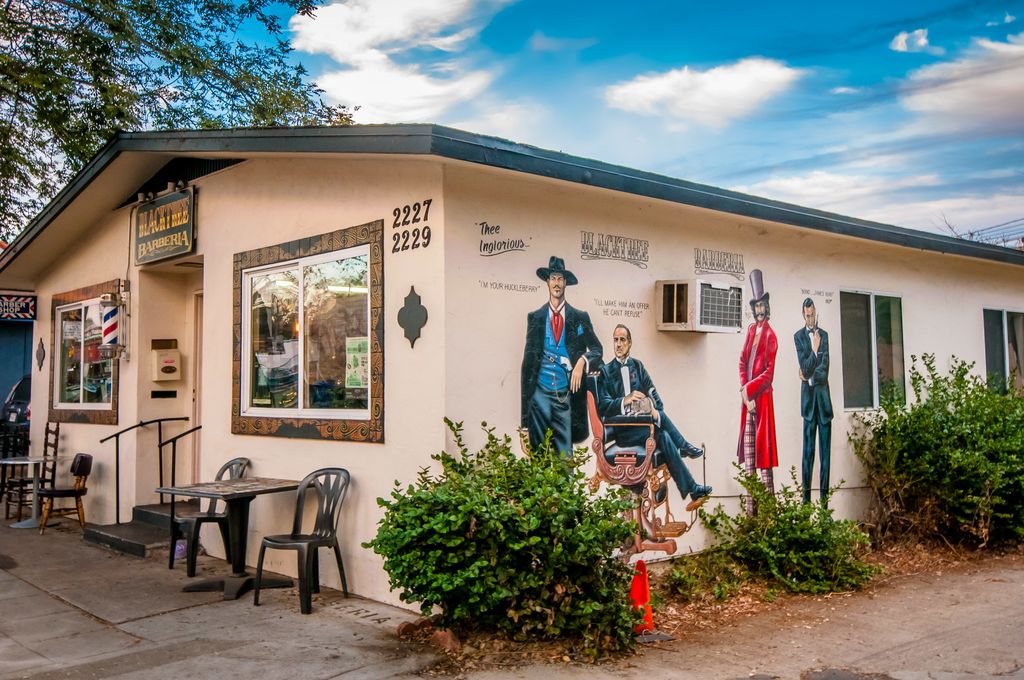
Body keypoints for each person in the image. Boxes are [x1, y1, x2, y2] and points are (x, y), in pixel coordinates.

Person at [598, 324, 712, 509]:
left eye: (622, 340)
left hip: (642, 425)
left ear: (630, 343)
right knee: (663, 433)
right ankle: (684, 450)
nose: (618, 344)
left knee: (663, 434)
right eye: (615, 340)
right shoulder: (606, 371)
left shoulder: (638, 366)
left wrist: (651, 407)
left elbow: (654, 394)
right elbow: (603, 406)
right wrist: (625, 400)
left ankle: (691, 488)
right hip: (624, 431)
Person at [521, 256, 602, 456]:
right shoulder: (536, 318)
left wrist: (582, 362)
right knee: (538, 459)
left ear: (566, 283)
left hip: (565, 397)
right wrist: (524, 424)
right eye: (553, 278)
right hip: (539, 395)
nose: (557, 283)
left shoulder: (579, 317)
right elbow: (528, 367)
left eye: (560, 279)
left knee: (564, 459)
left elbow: (597, 350)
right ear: (547, 282)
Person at [736, 268, 779, 513]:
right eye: (757, 306)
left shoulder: (771, 336)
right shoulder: (752, 331)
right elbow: (743, 361)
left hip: (762, 402)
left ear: (767, 307)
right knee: (750, 458)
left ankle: (769, 515)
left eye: (763, 306)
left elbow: (768, 375)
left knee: (764, 460)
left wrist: (748, 391)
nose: (760, 310)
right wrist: (744, 390)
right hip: (748, 402)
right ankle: (752, 515)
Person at [795, 297, 834, 504]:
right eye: (807, 315)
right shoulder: (799, 337)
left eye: (812, 314)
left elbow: (823, 370)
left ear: (815, 311)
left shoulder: (825, 336)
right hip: (809, 406)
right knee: (807, 455)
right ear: (803, 315)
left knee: (825, 458)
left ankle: (825, 505)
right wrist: (814, 350)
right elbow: (804, 362)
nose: (810, 318)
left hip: (824, 405)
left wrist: (807, 375)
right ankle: (806, 503)